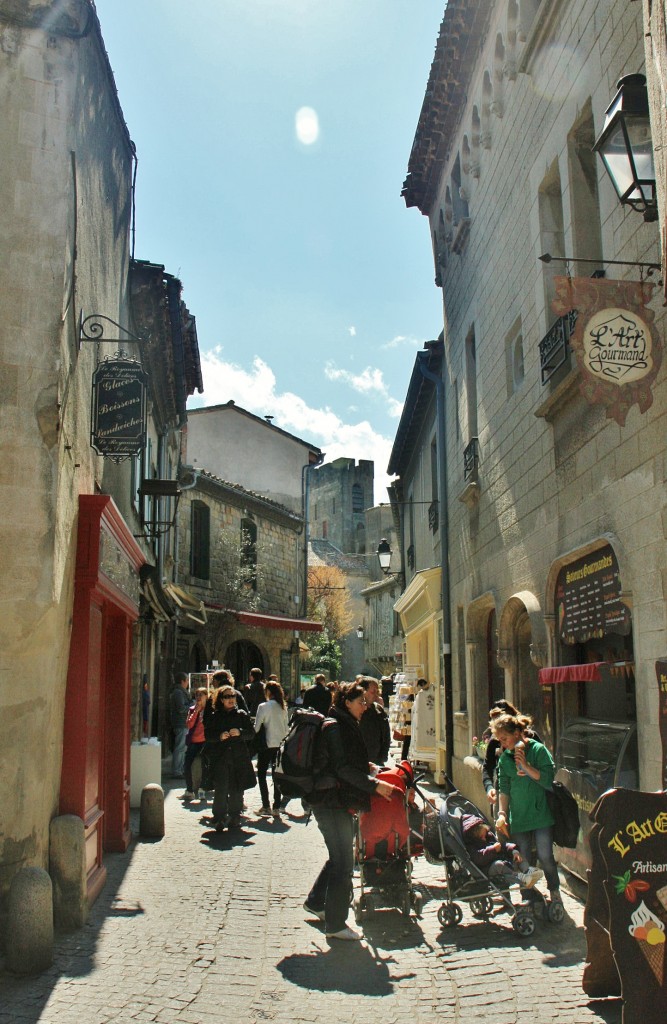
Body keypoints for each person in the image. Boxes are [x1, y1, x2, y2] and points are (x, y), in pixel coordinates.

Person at [303, 681, 402, 941]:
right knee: (344, 862)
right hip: (330, 801)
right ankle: (336, 925)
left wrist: (366, 767)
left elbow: (344, 762)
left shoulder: (343, 723)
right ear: (347, 702)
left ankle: (316, 902)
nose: (365, 708)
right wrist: (374, 785)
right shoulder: (336, 726)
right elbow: (341, 769)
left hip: (336, 799)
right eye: (362, 703)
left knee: (340, 856)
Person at [492, 711, 562, 907]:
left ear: (516, 733)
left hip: (541, 815)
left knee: (545, 856)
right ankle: (528, 895)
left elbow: (548, 779)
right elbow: (503, 788)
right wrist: (502, 813)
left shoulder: (538, 750)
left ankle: (554, 890)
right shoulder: (505, 758)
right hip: (519, 817)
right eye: (500, 740)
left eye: (504, 738)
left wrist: (525, 766)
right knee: (523, 860)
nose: (502, 743)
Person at [203, 683, 256, 830]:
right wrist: (219, 736)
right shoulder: (215, 716)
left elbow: (251, 733)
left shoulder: (241, 715)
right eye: (227, 697)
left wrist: (240, 732)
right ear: (221, 699)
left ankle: (235, 816)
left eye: (232, 696)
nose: (231, 699)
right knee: (221, 788)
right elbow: (208, 735)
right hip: (220, 757)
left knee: (236, 788)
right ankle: (219, 817)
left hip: (238, 757)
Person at [482, 699, 542, 809]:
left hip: (531, 794)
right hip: (503, 794)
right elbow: (487, 767)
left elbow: (545, 767)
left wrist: (527, 766)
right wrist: (489, 788)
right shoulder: (495, 741)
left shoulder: (530, 738)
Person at [461, 812, 543, 889]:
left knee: (517, 854)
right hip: (488, 868)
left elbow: (503, 846)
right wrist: (493, 849)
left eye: (485, 835)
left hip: (503, 862)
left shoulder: (488, 837)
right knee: (498, 865)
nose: (484, 838)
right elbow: (478, 858)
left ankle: (528, 871)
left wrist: (514, 851)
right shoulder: (471, 845)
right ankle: (520, 877)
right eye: (481, 836)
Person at [254, 681, 289, 817]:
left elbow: (256, 728)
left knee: (262, 774)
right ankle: (276, 806)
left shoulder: (263, 706)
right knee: (277, 776)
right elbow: (286, 728)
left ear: (268, 691)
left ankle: (265, 805)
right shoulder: (283, 707)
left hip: (266, 745)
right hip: (280, 745)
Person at [358, 676, 391, 765]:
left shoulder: (378, 709)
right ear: (363, 691)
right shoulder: (356, 711)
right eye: (373, 692)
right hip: (361, 760)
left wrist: (384, 755)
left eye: (377, 691)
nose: (376, 695)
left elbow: (386, 733)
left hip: (377, 759)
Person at [183, 687, 208, 800]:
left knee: (205, 766)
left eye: (201, 695)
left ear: (206, 697)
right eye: (197, 695)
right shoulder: (192, 709)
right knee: (187, 765)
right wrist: (196, 712)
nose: (198, 698)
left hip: (205, 741)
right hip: (193, 741)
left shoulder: (209, 710)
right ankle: (189, 790)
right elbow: (189, 725)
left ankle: (202, 789)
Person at [170, 672, 191, 777]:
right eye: (187, 680)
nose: (188, 683)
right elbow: (181, 708)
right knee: (180, 747)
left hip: (183, 723)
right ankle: (177, 770)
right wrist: (192, 706)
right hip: (180, 723)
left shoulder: (181, 692)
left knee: (183, 748)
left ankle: (180, 769)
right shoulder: (178, 692)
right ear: (182, 681)